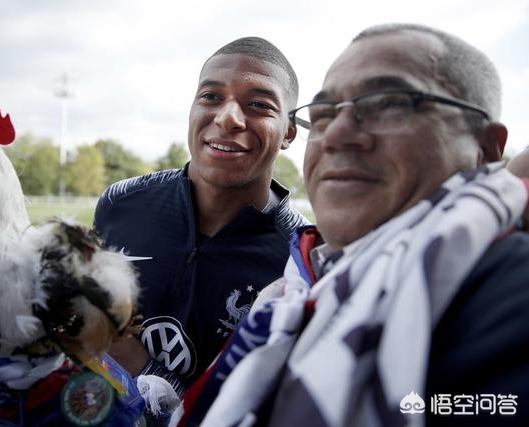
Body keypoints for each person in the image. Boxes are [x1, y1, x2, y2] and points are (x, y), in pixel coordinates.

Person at [179, 24, 529, 427]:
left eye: (390, 103)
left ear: (485, 149)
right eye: (325, 114)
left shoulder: (507, 291)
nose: (337, 134)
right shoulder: (293, 287)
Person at [93, 37, 307, 393]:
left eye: (258, 104)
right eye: (211, 97)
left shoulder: (300, 259)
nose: (228, 118)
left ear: (288, 132)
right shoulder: (121, 202)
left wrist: (135, 362)